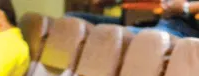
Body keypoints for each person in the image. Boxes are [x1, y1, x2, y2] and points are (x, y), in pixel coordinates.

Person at [68, 0, 199, 38]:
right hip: (164, 22)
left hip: (188, 29)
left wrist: (186, 7)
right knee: (70, 21)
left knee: (111, 37)